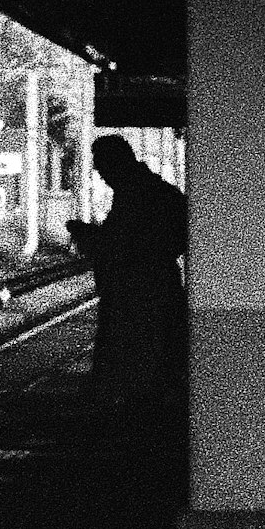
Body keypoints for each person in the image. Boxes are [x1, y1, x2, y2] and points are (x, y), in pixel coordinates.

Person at [68, 134, 187, 408]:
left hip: (136, 297)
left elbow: (123, 245)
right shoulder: (154, 190)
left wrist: (90, 237)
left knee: (133, 369)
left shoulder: (136, 195)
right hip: (155, 289)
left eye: (101, 167)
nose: (100, 175)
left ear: (115, 163)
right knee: (153, 369)